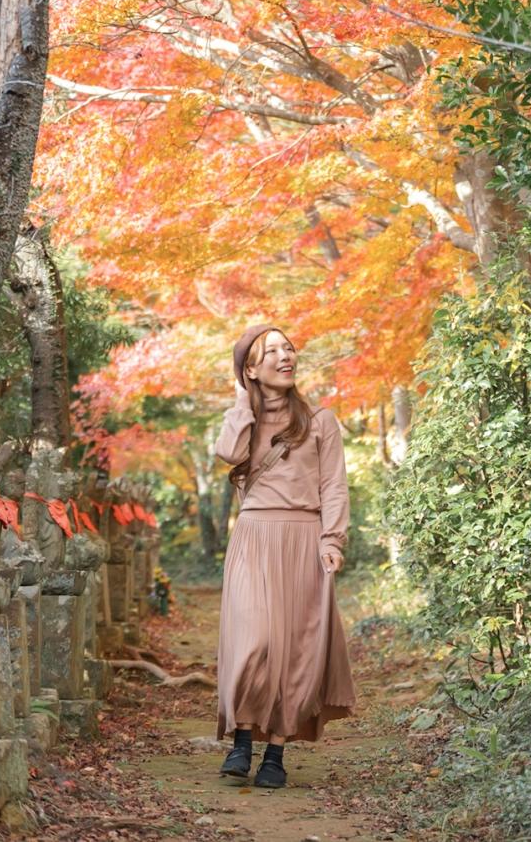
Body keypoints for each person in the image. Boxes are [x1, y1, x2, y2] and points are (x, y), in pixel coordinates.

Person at [212, 325, 356, 789]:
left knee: (295, 650)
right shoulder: (245, 419)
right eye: (270, 351)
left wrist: (332, 540)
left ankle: (275, 751)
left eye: (288, 348)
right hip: (254, 537)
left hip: (304, 538)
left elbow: (333, 484)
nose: (285, 355)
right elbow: (227, 453)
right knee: (253, 639)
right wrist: (242, 402)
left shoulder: (320, 421)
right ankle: (242, 740)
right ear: (251, 369)